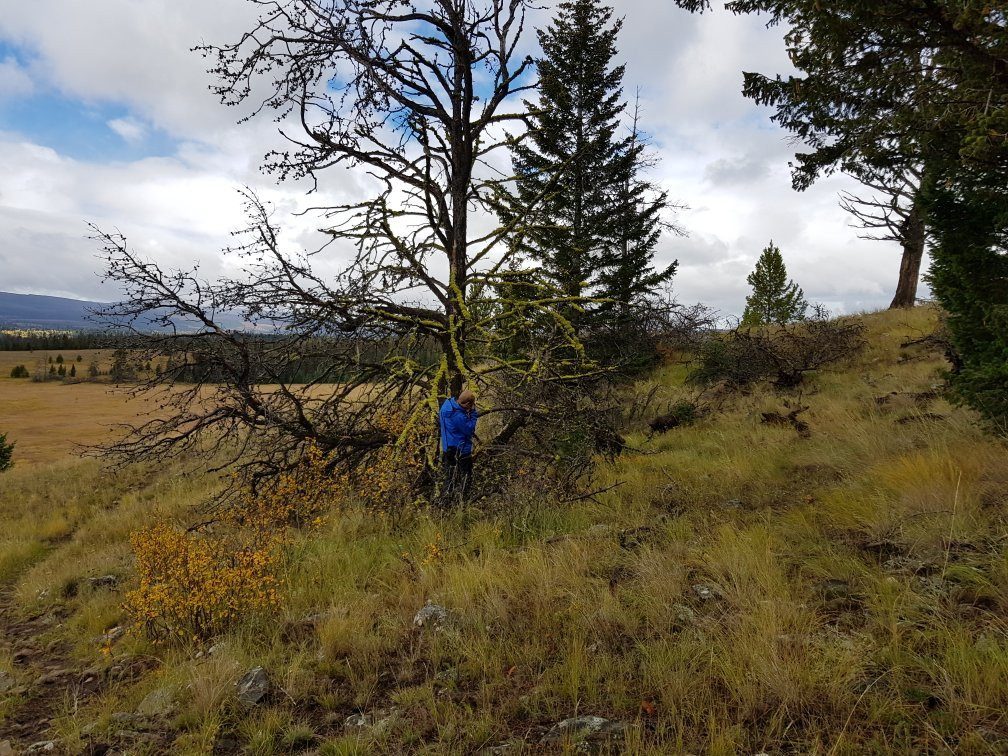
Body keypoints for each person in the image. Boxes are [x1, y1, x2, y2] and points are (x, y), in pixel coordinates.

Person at [439, 389, 478, 501]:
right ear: (466, 403)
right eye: (470, 406)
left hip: (448, 448)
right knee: (466, 477)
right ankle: (463, 502)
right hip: (461, 449)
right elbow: (469, 429)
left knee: (450, 477)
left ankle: (446, 502)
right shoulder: (457, 415)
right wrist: (474, 414)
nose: (470, 408)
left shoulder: (446, 406)